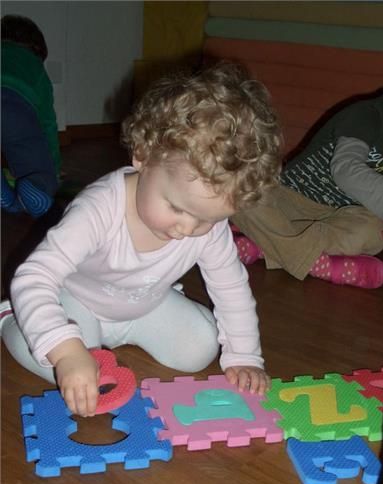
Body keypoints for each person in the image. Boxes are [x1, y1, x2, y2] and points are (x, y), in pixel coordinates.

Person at [0, 63, 282, 417]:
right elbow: (34, 277)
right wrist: (67, 352)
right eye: (176, 208)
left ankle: (101, 339)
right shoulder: (99, 209)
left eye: (208, 219)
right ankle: (12, 318)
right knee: (68, 368)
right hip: (76, 302)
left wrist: (245, 356)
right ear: (143, 155)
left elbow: (231, 289)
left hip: (144, 305)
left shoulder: (206, 226)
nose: (188, 228)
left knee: (201, 347)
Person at [232, 56, 383, 288]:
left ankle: (262, 247)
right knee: (242, 194)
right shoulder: (369, 115)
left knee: (374, 232)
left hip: (337, 216)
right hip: (289, 198)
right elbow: (346, 171)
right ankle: (318, 263)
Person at [1, 14, 61, 217]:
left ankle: (11, 201)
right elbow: (48, 125)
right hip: (13, 111)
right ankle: (38, 185)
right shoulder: (35, 67)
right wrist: (54, 169)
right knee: (36, 169)